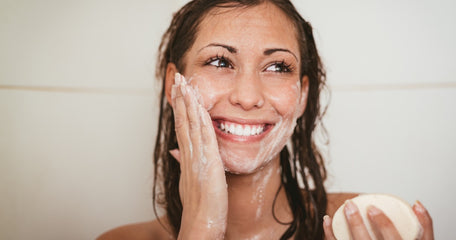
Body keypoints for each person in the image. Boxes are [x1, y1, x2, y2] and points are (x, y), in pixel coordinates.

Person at [98, 0, 434, 239]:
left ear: (302, 95)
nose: (247, 96)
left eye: (277, 67)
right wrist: (201, 230)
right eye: (219, 61)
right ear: (174, 84)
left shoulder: (368, 226)